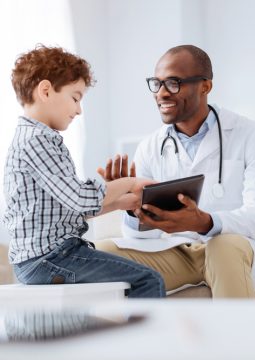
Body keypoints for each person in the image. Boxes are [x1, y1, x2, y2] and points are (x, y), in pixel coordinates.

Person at [96, 44, 255, 298]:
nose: (161, 93)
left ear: (205, 86)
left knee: (222, 247)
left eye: (173, 83)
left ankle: (237, 338)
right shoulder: (150, 146)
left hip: (235, 246)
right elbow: (137, 236)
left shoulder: (251, 134)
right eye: (156, 84)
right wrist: (128, 204)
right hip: (178, 252)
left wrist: (205, 222)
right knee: (102, 253)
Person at [2, 45, 165, 298]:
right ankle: (143, 339)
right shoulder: (38, 140)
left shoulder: (33, 138)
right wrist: (131, 182)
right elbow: (79, 198)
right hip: (50, 258)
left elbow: (68, 209)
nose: (79, 110)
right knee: (148, 280)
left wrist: (122, 203)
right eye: (75, 98)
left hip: (41, 258)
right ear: (45, 90)